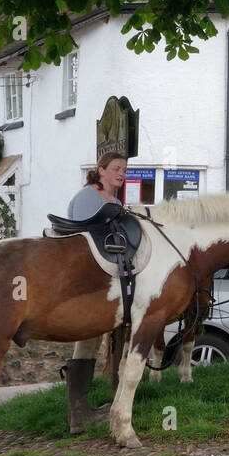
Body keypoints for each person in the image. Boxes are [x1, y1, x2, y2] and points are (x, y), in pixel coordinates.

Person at [63, 150, 128, 434]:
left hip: (107, 283)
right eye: (115, 168)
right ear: (100, 170)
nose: (121, 173)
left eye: (124, 169)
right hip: (85, 280)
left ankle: (84, 414)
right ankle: (77, 414)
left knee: (90, 341)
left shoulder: (116, 201)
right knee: (85, 340)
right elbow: (81, 240)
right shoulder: (87, 197)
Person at [67, 151, 127, 219]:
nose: (122, 174)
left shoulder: (117, 203)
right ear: (101, 171)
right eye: (116, 169)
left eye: (124, 171)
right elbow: (82, 228)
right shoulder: (87, 196)